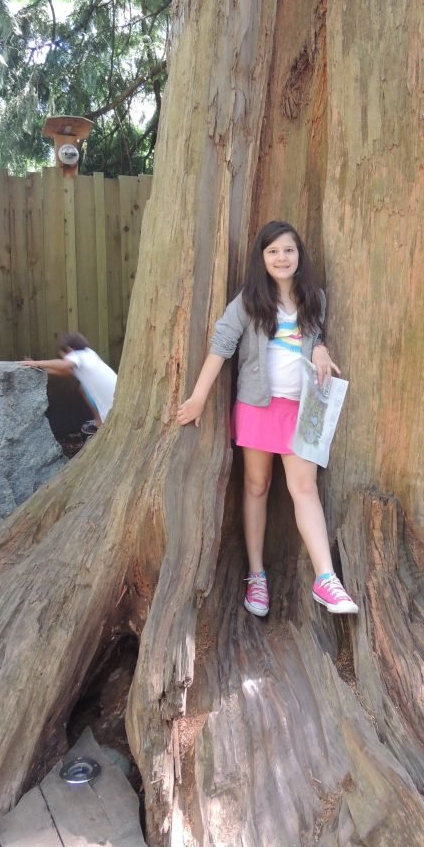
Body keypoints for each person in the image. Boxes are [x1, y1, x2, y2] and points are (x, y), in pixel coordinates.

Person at [176, 220, 359, 617]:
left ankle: (326, 580)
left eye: (289, 250)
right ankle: (257, 576)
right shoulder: (249, 300)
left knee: (304, 488)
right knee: (257, 486)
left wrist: (322, 349)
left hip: (301, 409)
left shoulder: (315, 298)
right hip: (257, 407)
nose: (281, 258)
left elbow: (315, 337)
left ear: (299, 256)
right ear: (263, 258)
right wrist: (198, 398)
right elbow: (222, 345)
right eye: (273, 251)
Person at [19, 332, 117, 426]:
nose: (63, 358)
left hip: (110, 403)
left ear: (69, 350)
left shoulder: (77, 355)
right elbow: (66, 372)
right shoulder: (89, 354)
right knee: (82, 389)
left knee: (83, 389)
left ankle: (100, 421)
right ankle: (98, 420)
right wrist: (42, 369)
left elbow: (64, 366)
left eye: (62, 356)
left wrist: (36, 363)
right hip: (116, 392)